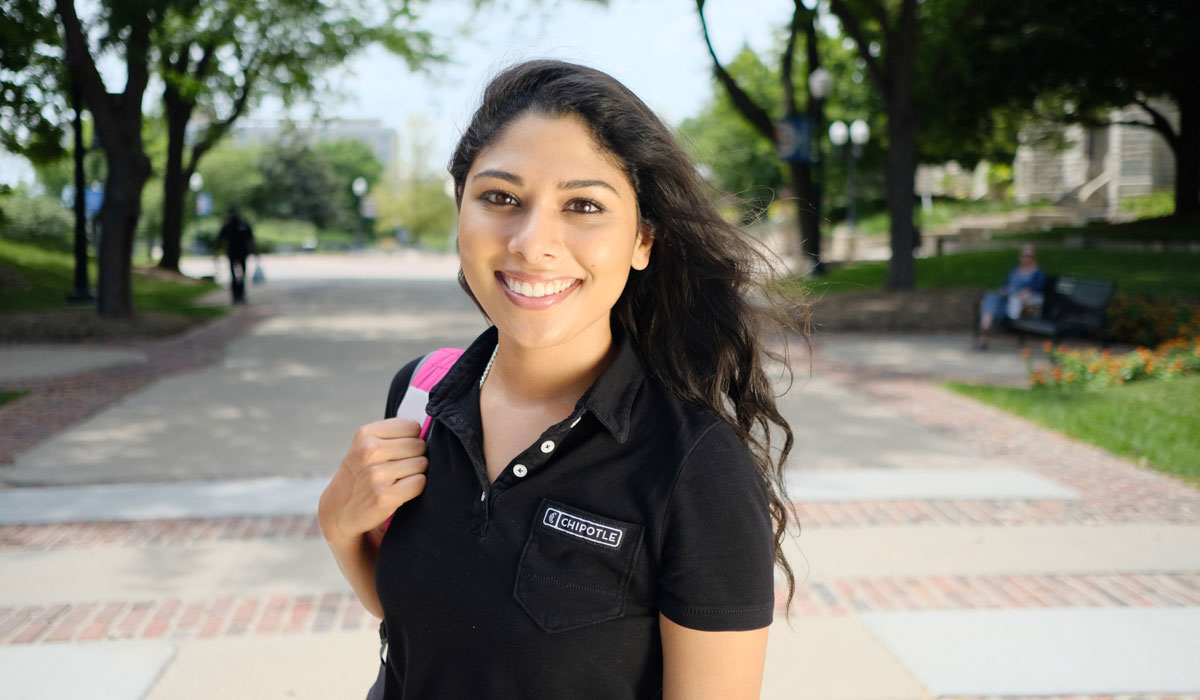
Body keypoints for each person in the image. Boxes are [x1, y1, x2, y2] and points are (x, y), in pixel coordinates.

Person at [318, 60, 804, 699]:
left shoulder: (695, 469)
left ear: (642, 240)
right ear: (460, 210)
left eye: (583, 205)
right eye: (500, 198)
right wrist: (338, 525)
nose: (533, 241)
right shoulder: (420, 396)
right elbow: (435, 623)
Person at [975, 243, 1045, 349]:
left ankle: (984, 332)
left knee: (991, 304)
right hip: (1006, 299)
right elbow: (1006, 285)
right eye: (1024, 255)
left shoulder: (1038, 273)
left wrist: (1018, 294)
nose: (1026, 258)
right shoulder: (1015, 271)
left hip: (1021, 305)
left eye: (1029, 256)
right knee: (991, 297)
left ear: (1034, 257)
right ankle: (984, 333)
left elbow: (1033, 292)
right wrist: (1004, 291)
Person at [213, 206, 257, 304]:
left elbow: (251, 239)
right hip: (232, 252)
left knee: (243, 275)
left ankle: (241, 295)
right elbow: (220, 240)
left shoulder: (244, 225)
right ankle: (235, 296)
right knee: (233, 275)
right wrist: (216, 252)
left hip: (243, 252)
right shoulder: (227, 226)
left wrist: (254, 251)